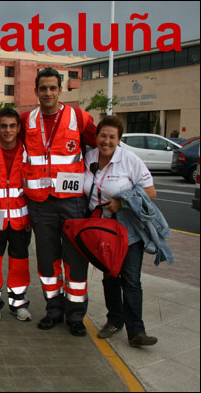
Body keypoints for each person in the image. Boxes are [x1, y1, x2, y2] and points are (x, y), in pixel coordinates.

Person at [20, 67, 97, 336]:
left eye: (53, 88)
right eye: (43, 88)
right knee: (47, 261)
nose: (48, 93)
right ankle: (53, 310)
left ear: (60, 90)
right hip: (40, 203)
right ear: (36, 91)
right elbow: (6, 139)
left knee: (75, 260)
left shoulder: (79, 117)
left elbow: (100, 146)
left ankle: (76, 315)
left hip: (73, 202)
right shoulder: (25, 121)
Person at [84, 115, 159, 347]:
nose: (106, 141)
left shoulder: (129, 160)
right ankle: (114, 321)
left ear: (119, 139)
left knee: (131, 280)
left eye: (112, 137)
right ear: (96, 137)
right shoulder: (89, 157)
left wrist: (122, 202)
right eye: (103, 136)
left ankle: (137, 331)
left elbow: (151, 191)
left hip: (128, 230)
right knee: (110, 278)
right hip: (101, 230)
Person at [0, 108, 32, 322]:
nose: (8, 130)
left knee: (19, 262)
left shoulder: (29, 151)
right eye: (3, 126)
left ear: (19, 128)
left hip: (21, 219)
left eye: (12, 126)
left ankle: (18, 303)